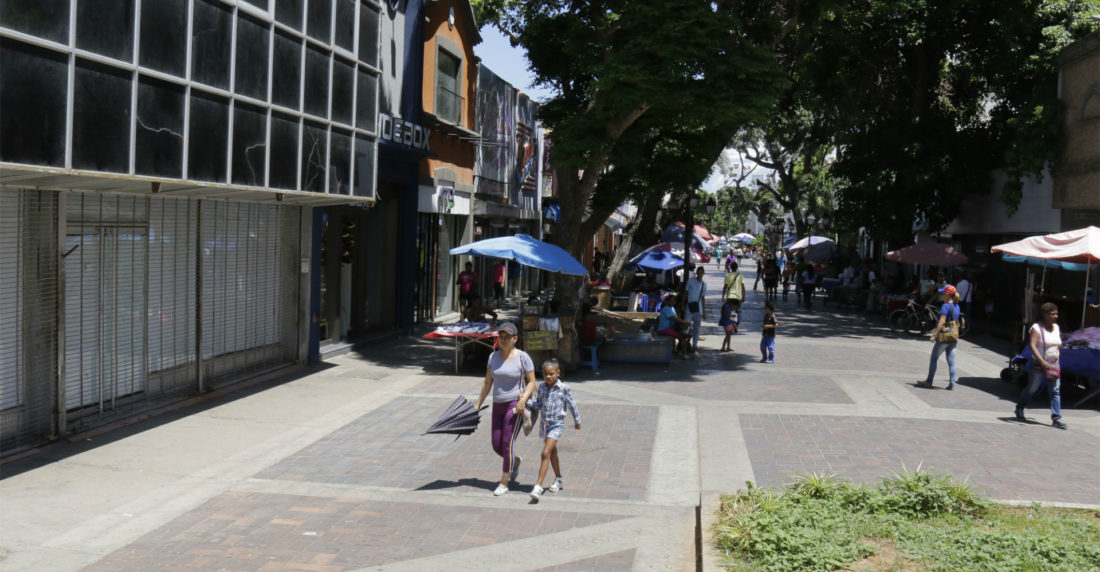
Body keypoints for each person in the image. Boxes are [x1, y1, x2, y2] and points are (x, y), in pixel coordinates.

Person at [475, 322, 538, 496]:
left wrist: (523, 399)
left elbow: (532, 382)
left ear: (515, 339)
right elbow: (488, 382)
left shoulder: (522, 357)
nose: (502, 340)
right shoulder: (493, 357)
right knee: (496, 444)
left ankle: (504, 482)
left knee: (507, 443)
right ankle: (515, 462)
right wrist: (477, 404)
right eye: (500, 337)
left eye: (506, 337)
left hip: (514, 405)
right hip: (498, 405)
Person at [527, 359, 582, 500]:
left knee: (545, 453)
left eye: (551, 374)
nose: (548, 376)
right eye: (545, 374)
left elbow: (572, 405)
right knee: (552, 453)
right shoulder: (542, 387)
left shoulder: (563, 388)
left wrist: (577, 421)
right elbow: (538, 405)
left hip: (557, 425)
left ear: (558, 373)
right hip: (544, 424)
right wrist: (526, 401)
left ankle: (538, 487)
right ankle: (558, 479)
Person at [1014, 303, 1068, 429]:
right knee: (1032, 389)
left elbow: (1057, 344)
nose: (1056, 316)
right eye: (1052, 314)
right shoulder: (1036, 328)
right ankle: (1020, 407)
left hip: (1053, 365)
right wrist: (1042, 362)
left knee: (1054, 390)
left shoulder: (1056, 327)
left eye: (1057, 314)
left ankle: (1056, 418)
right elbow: (1032, 345)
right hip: (1038, 364)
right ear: (1044, 315)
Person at [918, 285, 961, 390]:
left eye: (943, 293)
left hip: (944, 337)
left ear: (946, 295)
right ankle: (952, 384)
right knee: (951, 361)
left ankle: (929, 381)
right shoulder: (957, 306)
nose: (941, 295)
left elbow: (942, 321)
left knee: (933, 359)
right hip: (953, 336)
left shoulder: (945, 306)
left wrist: (934, 335)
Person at [656, 293, 691, 358]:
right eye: (671, 301)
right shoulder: (666, 308)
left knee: (682, 333)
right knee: (682, 337)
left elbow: (676, 318)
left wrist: (683, 324)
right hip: (664, 329)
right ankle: (684, 354)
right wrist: (685, 322)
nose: (672, 302)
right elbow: (674, 318)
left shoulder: (672, 308)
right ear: (667, 301)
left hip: (669, 328)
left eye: (674, 301)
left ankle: (676, 350)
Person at [684, 266, 708, 355]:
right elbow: (685, 293)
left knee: (697, 327)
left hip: (698, 308)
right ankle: (685, 344)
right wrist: (682, 305)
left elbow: (703, 298)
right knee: (686, 325)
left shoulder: (704, 285)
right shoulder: (690, 281)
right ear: (696, 272)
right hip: (689, 306)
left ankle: (694, 345)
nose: (700, 273)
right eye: (699, 272)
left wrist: (704, 311)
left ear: (703, 273)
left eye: (702, 272)